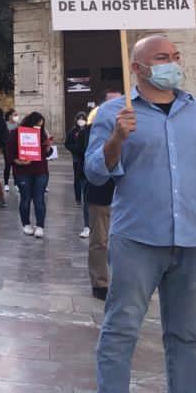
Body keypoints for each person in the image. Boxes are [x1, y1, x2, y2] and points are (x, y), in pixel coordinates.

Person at [85, 35, 196, 393]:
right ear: (138, 67)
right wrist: (116, 137)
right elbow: (96, 172)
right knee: (120, 330)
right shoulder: (114, 113)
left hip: (191, 243)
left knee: (185, 336)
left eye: (174, 56)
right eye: (161, 58)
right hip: (136, 241)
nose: (172, 63)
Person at [80, 90, 122, 301]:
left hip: (129, 192)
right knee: (100, 240)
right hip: (101, 190)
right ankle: (100, 282)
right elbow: (86, 157)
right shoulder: (92, 129)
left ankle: (131, 281)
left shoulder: (138, 127)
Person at [7, 112, 52, 240]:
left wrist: (48, 147)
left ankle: (40, 226)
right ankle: (26, 224)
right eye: (37, 125)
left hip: (40, 170)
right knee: (25, 198)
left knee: (39, 198)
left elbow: (47, 153)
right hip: (23, 171)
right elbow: (9, 152)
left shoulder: (43, 134)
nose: (38, 128)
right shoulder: (15, 134)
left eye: (41, 126)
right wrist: (17, 160)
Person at [65, 111, 91, 238]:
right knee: (86, 198)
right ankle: (87, 226)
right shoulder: (78, 132)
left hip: (99, 169)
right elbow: (74, 146)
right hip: (83, 165)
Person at [2, 108, 18, 192]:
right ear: (9, 116)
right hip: (7, 148)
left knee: (16, 166)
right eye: (15, 115)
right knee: (7, 166)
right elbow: (3, 137)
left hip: (16, 148)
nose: (16, 116)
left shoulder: (18, 125)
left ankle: (16, 183)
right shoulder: (5, 125)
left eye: (16, 115)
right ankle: (6, 184)